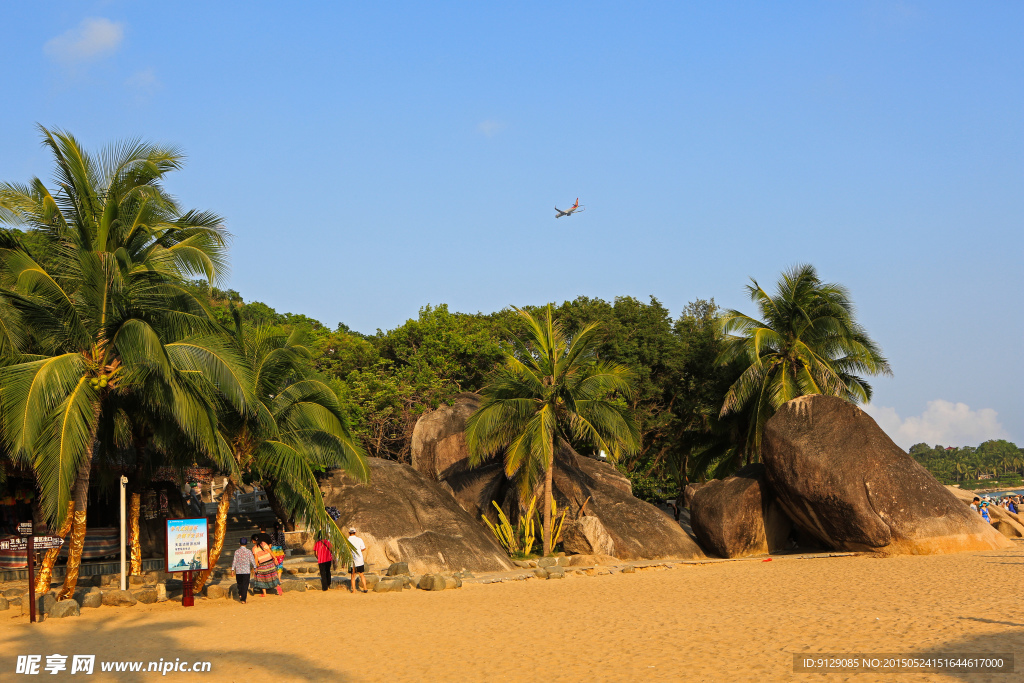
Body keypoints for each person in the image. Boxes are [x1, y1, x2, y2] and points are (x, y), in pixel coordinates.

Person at [232, 537, 256, 604]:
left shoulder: (236, 552)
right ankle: (243, 599)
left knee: (239, 584)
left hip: (239, 571)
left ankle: (240, 594)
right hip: (246, 571)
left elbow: (234, 561)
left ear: (239, 544)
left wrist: (232, 569)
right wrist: (255, 567)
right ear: (246, 544)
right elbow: (252, 560)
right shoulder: (248, 552)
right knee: (245, 585)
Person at [347, 527, 367, 593]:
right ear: (355, 532)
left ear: (349, 533)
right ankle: (365, 588)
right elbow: (363, 548)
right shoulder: (359, 539)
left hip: (351, 560)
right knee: (361, 574)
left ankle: (354, 590)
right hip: (359, 559)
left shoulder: (347, 540)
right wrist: (358, 551)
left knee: (353, 576)